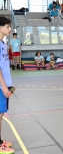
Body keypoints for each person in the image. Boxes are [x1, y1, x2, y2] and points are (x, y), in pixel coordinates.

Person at [0, 16, 15, 153]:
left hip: (5, 83)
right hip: (0, 85)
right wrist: (4, 86)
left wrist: (9, 85)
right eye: (7, 26)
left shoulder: (3, 43)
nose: (10, 29)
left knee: (1, 113)